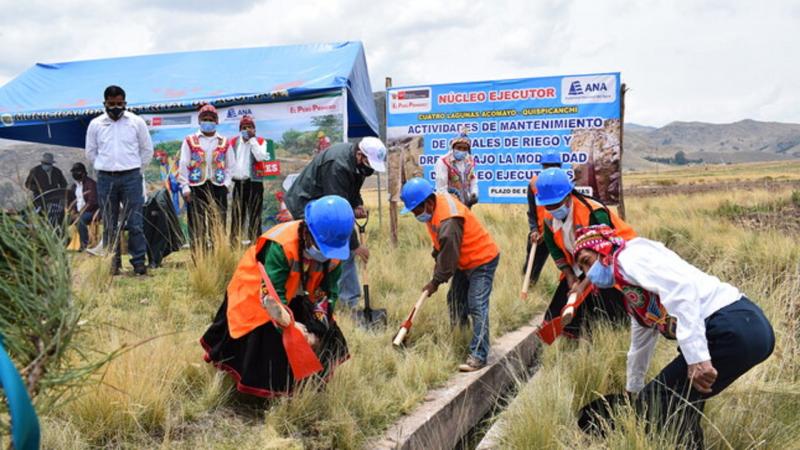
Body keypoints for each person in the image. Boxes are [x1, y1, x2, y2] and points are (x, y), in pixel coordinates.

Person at [572, 224, 774, 447]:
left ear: (603, 250)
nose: (588, 274)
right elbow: (639, 346)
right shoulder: (634, 293)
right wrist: (632, 390)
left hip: (731, 324)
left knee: (660, 400)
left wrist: (697, 357)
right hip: (750, 329)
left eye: (587, 261)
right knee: (683, 401)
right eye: (582, 267)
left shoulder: (629, 257)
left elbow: (683, 290)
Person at [201, 195, 353, 397]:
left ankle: (309, 385)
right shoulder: (281, 244)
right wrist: (291, 329)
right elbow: (273, 295)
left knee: (327, 333)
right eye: (321, 245)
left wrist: (317, 330)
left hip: (299, 295)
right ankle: (266, 393)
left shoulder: (335, 253)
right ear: (308, 231)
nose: (325, 253)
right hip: (258, 294)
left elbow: (327, 294)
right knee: (269, 342)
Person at [400, 177, 500, 372]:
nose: (415, 215)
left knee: (477, 304)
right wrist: (436, 254)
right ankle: (461, 337)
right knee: (455, 299)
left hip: (482, 260)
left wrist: (435, 282)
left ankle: (479, 355)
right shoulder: (434, 208)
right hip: (464, 260)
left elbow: (449, 256)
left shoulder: (449, 220)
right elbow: (443, 245)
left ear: (428, 203)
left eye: (416, 211)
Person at [284, 137, 387, 309]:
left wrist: (357, 204)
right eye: (370, 163)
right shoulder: (337, 166)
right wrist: (355, 245)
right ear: (360, 155)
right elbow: (339, 216)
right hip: (305, 206)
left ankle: (336, 298)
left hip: (325, 206)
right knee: (336, 249)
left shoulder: (359, 165)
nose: (370, 169)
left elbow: (352, 190)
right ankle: (342, 301)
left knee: (336, 252)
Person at [535, 168, 630, 340]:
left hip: (613, 261)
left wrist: (584, 285)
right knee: (557, 312)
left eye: (556, 203)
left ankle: (611, 338)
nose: (552, 208)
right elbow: (554, 249)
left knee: (608, 304)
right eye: (548, 205)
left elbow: (606, 253)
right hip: (579, 264)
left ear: (568, 195)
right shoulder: (549, 217)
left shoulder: (593, 212)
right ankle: (573, 340)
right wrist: (570, 276)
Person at [85, 85, 154, 275]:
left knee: (135, 223)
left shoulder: (136, 122)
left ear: (125, 103)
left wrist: (136, 171)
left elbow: (147, 150)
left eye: (119, 103)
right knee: (109, 223)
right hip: (106, 179)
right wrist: (105, 166)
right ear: (104, 103)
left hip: (131, 177)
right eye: (111, 104)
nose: (116, 107)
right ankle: (113, 264)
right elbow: (91, 153)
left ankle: (139, 263)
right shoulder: (96, 124)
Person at [177, 104, 234, 252]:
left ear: (216, 121)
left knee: (218, 223)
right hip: (196, 187)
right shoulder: (190, 140)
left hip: (218, 186)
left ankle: (218, 256)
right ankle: (199, 259)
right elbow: (183, 164)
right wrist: (185, 187)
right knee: (197, 224)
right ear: (199, 120)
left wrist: (226, 184)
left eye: (211, 119)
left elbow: (230, 166)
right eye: (205, 119)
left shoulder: (224, 141)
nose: (208, 121)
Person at [523, 148, 564, 285]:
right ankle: (529, 289)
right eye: (547, 166)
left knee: (569, 265)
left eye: (554, 166)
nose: (550, 170)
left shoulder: (563, 184)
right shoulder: (534, 184)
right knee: (531, 267)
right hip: (540, 235)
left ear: (560, 168)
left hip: (561, 233)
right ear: (542, 167)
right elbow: (532, 212)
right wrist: (534, 230)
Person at [229, 115, 270, 244]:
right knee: (237, 215)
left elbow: (260, 157)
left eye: (250, 127)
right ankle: (234, 244)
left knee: (255, 215)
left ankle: (255, 244)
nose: (247, 130)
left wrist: (253, 140)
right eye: (244, 127)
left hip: (254, 183)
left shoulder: (261, 141)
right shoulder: (233, 142)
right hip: (238, 183)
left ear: (254, 129)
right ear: (240, 129)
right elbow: (229, 161)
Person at [25, 152, 68, 231]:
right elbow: (28, 184)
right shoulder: (35, 171)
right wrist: (38, 189)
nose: (45, 165)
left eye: (47, 163)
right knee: (42, 219)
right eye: (43, 163)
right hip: (40, 199)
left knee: (56, 220)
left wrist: (60, 194)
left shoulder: (57, 171)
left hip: (54, 201)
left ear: (51, 164)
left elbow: (64, 184)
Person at [434, 132, 478, 208]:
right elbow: (441, 188)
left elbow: (472, 179)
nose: (461, 151)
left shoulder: (469, 161)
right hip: (449, 205)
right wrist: (453, 203)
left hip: (466, 204)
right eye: (459, 147)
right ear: (453, 147)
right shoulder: (443, 161)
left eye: (465, 149)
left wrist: (474, 193)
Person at [66, 163, 99, 251]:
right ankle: (64, 242)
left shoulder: (91, 184)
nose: (74, 174)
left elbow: (92, 202)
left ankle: (84, 245)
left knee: (81, 221)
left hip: (91, 211)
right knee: (62, 220)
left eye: (76, 172)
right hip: (77, 212)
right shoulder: (74, 186)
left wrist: (81, 213)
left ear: (83, 173)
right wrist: (73, 212)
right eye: (73, 172)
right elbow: (70, 201)